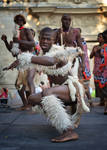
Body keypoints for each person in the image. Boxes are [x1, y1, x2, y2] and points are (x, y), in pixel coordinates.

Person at [18, 27, 90, 142]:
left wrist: (26, 58)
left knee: (47, 93)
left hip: (72, 89)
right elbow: (30, 78)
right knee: (37, 98)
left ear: (53, 40)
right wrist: (33, 97)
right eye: (42, 39)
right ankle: (64, 127)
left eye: (48, 39)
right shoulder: (40, 55)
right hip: (58, 92)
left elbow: (51, 61)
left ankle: (69, 133)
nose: (45, 41)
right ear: (39, 39)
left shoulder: (58, 51)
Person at [1, 14, 35, 110]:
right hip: (20, 62)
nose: (19, 21)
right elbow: (13, 51)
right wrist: (6, 41)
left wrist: (19, 42)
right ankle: (26, 105)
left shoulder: (26, 30)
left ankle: (30, 105)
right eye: (17, 20)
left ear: (23, 21)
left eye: (21, 20)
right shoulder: (15, 33)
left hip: (28, 60)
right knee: (20, 87)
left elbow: (32, 43)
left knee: (26, 85)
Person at [90, 33, 104, 106]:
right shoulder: (95, 47)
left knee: (103, 84)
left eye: (100, 37)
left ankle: (104, 100)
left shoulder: (105, 47)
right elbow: (90, 56)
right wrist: (94, 51)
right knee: (97, 84)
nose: (98, 38)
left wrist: (100, 50)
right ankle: (101, 100)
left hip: (103, 69)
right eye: (98, 37)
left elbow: (104, 56)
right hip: (96, 68)